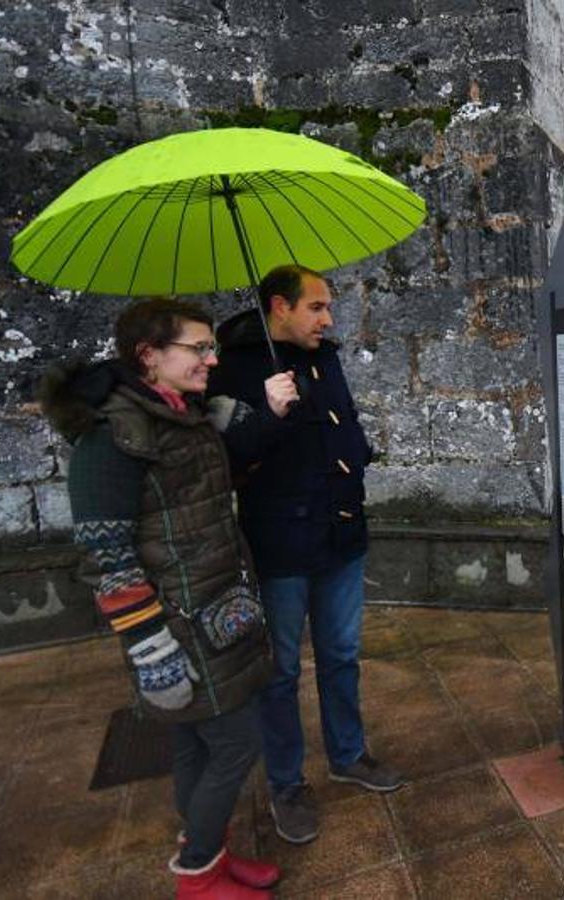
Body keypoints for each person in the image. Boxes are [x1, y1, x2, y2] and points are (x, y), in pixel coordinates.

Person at [40, 297, 298, 898]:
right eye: (198, 348)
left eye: (211, 346)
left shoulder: (184, 413)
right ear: (149, 356)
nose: (212, 359)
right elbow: (107, 560)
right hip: (177, 626)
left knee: (193, 746)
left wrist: (266, 412)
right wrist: (150, 651)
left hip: (218, 612)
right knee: (238, 745)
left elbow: (215, 480)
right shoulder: (109, 441)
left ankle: (212, 851)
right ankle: (200, 877)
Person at [209, 264, 404, 847]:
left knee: (343, 654)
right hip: (281, 547)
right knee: (281, 671)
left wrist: (360, 454)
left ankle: (348, 754)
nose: (327, 317)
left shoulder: (326, 357)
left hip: (342, 536)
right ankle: (287, 784)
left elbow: (342, 429)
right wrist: (267, 414)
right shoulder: (235, 368)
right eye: (316, 307)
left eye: (328, 306)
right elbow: (227, 463)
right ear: (279, 307)